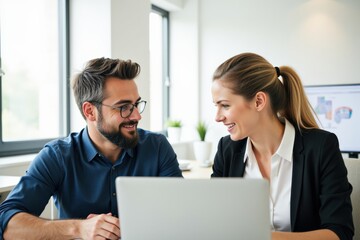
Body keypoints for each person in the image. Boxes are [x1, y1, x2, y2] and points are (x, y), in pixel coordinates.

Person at [0, 57, 183, 239]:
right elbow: (7, 223)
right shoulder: (57, 156)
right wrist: (78, 228)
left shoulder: (157, 147)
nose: (136, 115)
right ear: (90, 111)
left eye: (136, 104)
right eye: (124, 107)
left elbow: (182, 213)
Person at [211, 52, 354, 240]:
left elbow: (339, 232)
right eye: (216, 106)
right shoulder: (227, 150)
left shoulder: (321, 147)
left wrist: (263, 237)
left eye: (225, 105)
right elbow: (214, 221)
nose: (218, 117)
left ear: (259, 101)